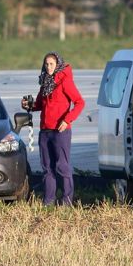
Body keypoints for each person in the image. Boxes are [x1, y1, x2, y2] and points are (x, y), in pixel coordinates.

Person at [21, 51, 85, 206]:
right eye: (46, 64)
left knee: (62, 166)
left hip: (60, 131)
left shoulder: (65, 81)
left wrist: (67, 119)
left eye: (51, 64)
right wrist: (29, 105)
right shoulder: (45, 82)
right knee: (47, 168)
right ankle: (48, 201)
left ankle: (67, 201)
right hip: (45, 131)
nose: (48, 67)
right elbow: (40, 104)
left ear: (57, 65)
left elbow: (80, 102)